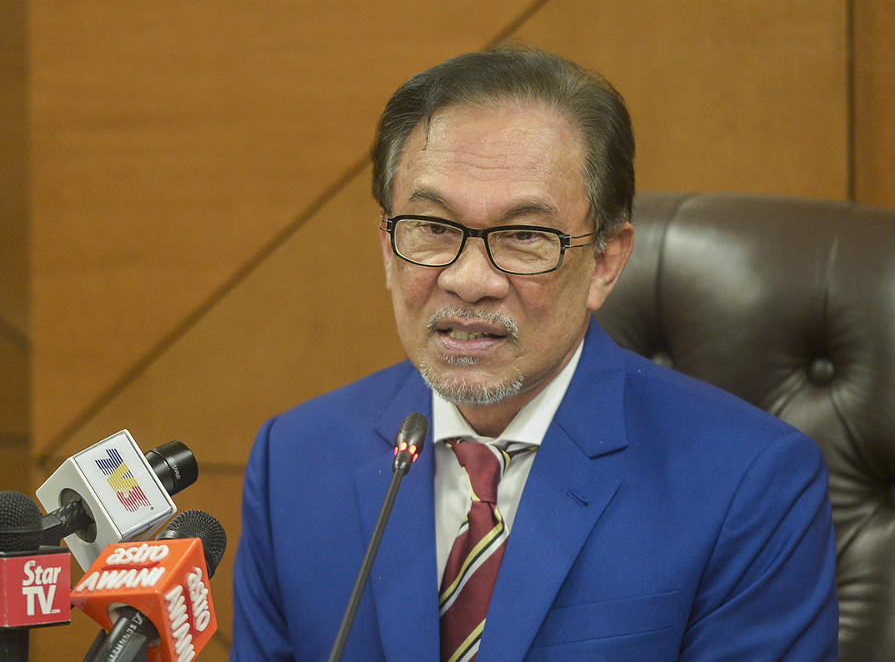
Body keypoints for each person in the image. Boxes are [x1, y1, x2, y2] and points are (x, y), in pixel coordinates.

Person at [230, 43, 839, 662]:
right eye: (434, 229)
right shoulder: (295, 463)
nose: (469, 279)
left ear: (606, 260)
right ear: (388, 248)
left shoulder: (750, 483)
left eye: (524, 236)